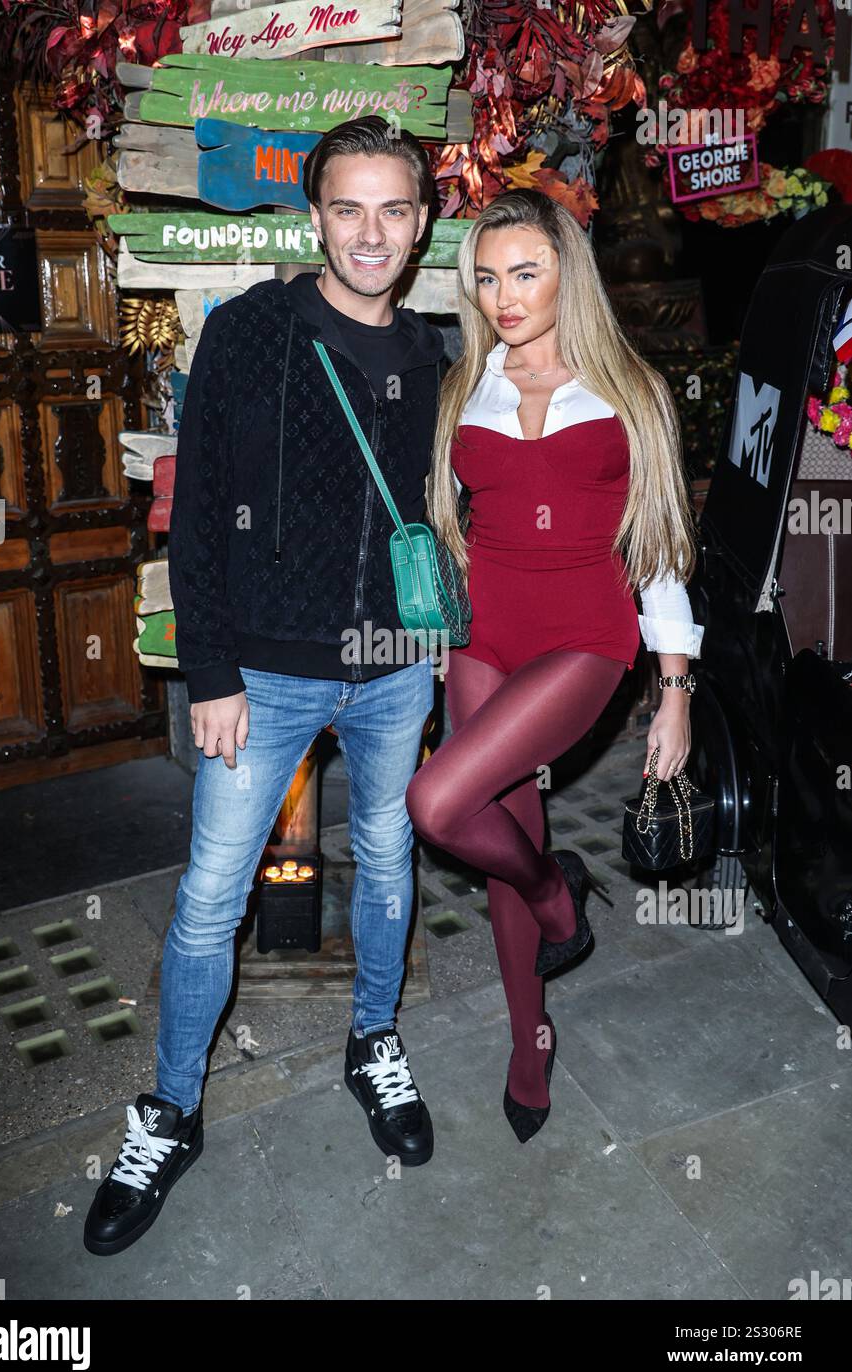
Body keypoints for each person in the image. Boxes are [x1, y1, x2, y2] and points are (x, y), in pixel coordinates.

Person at [84, 116, 446, 1257]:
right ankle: (172, 1109)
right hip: (265, 679)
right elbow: (195, 522)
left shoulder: (444, 350)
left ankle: (371, 1040)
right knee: (207, 900)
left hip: (394, 674)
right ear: (314, 217)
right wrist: (213, 670)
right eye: (348, 207)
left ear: (423, 220)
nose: (371, 232)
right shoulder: (246, 335)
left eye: (394, 208)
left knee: (389, 856)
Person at [405, 189, 704, 1144]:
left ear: (566, 273)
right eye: (488, 277)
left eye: (525, 273)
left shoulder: (628, 392)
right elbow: (442, 536)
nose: (504, 296)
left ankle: (549, 891)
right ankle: (529, 1037)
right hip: (481, 635)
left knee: (438, 804)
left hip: (584, 636)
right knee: (498, 828)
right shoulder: (466, 388)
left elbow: (656, 549)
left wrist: (674, 691)